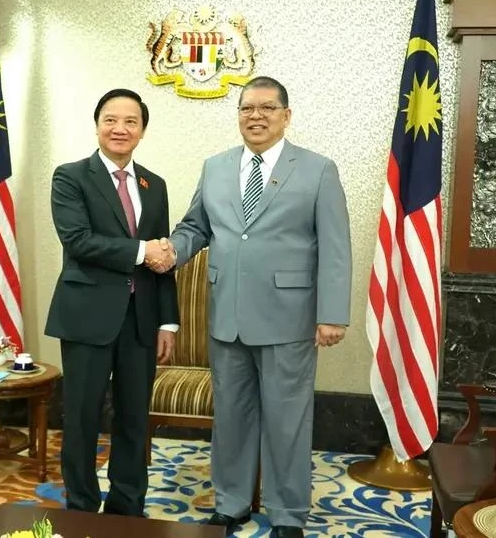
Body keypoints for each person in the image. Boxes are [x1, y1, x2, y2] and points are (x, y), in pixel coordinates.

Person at [149, 76, 351, 538]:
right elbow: (195, 226)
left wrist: (332, 313)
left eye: (266, 108)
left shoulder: (318, 169)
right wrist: (172, 250)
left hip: (290, 318)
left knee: (287, 421)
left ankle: (286, 513)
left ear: (286, 115)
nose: (255, 116)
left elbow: (335, 246)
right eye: (246, 108)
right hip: (228, 317)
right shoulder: (216, 167)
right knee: (232, 419)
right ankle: (231, 503)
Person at [44, 88, 179, 517]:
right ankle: (81, 506)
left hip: (140, 321)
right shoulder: (70, 177)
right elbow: (79, 241)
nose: (120, 129)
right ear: (97, 124)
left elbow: (164, 260)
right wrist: (141, 252)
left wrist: (168, 322)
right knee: (82, 419)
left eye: (130, 122)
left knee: (134, 419)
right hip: (87, 317)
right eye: (111, 120)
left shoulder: (153, 185)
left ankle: (127, 507)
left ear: (142, 131)